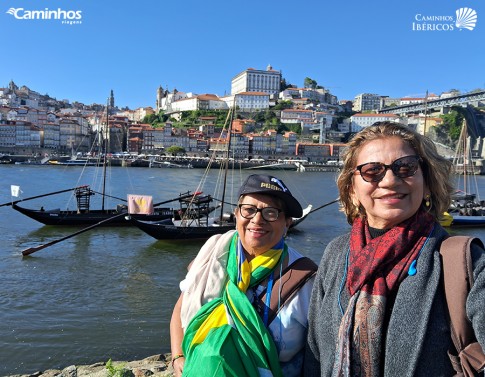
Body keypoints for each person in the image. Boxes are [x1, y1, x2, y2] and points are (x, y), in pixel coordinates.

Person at [304, 122, 485, 376]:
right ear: (352, 191)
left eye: (406, 167)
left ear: (427, 182)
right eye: (372, 171)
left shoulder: (466, 261)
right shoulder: (336, 253)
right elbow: (314, 353)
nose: (389, 180)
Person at [170, 174, 316, 377]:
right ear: (237, 214)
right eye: (249, 210)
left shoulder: (306, 279)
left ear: (287, 223)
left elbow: (318, 354)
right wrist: (178, 356)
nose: (257, 220)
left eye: (271, 213)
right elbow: (181, 307)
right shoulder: (213, 252)